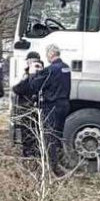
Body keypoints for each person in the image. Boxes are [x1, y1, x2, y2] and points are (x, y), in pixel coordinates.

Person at [14, 45, 71, 175]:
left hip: (51, 106)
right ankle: (62, 162)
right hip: (64, 103)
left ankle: (53, 167)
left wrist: (34, 74)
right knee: (58, 135)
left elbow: (34, 85)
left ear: (50, 55)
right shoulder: (66, 67)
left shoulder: (50, 69)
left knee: (49, 136)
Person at [13, 52, 45, 158]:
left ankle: (30, 156)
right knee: (34, 133)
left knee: (28, 134)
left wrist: (29, 75)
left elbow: (19, 89)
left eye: (28, 61)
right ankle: (34, 154)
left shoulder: (31, 75)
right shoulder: (44, 72)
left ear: (31, 61)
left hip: (28, 108)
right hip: (34, 108)